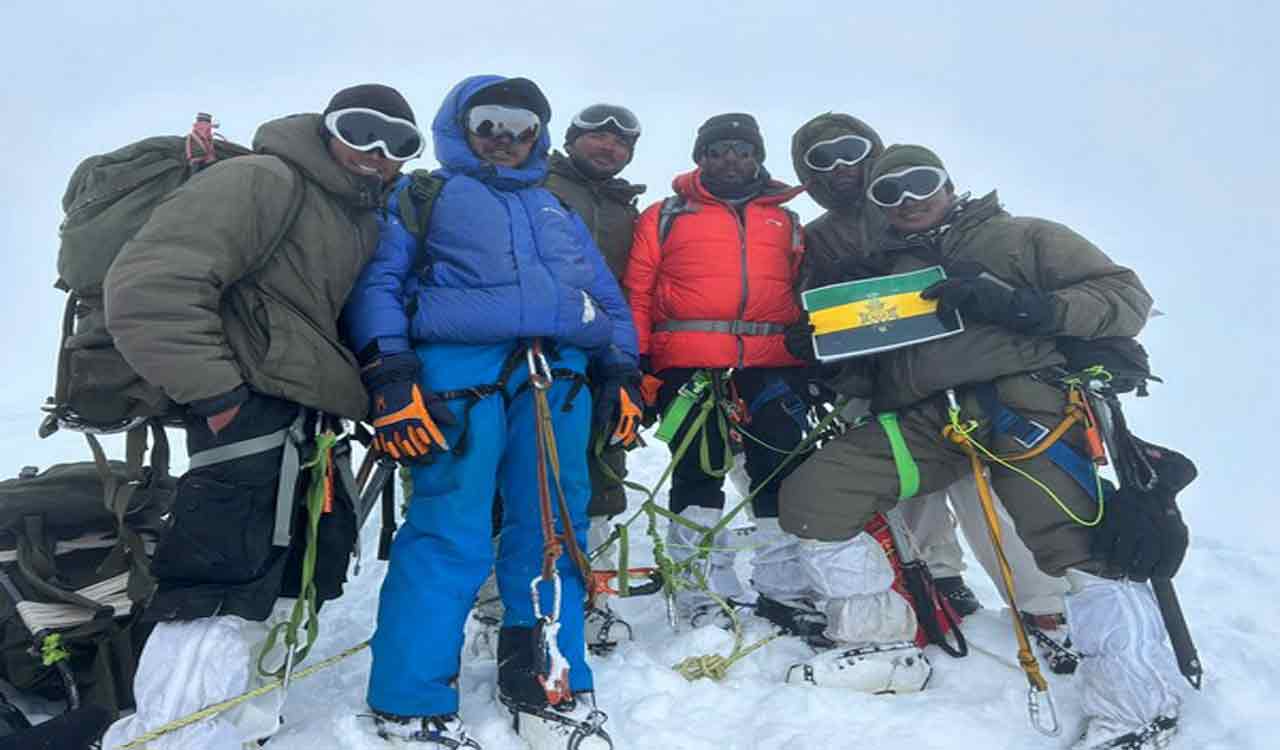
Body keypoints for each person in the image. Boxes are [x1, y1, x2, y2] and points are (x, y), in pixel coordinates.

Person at [778, 144, 1183, 748]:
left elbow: (1125, 297)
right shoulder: (877, 277)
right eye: (890, 193)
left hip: (1024, 401)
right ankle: (882, 639)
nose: (909, 200)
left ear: (947, 183)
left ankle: (1136, 707)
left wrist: (1031, 307)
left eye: (921, 183)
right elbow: (867, 370)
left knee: (1075, 543)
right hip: (926, 417)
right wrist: (822, 355)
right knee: (816, 496)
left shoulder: (1021, 237)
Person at [101, 84, 421, 750]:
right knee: (223, 584)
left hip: (306, 420)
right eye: (360, 129)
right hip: (248, 414)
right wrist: (219, 398)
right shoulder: (262, 180)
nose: (377, 152)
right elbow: (148, 287)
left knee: (297, 576)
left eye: (399, 142)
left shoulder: (357, 216)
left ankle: (241, 729)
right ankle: (172, 736)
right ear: (324, 127)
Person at [344, 75, 638, 749]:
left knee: (557, 534)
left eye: (522, 124)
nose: (506, 138)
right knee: (450, 534)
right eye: (489, 121)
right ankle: (409, 700)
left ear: (540, 134)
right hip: (460, 382)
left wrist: (620, 371)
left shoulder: (554, 208)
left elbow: (606, 297)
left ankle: (546, 677)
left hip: (558, 381)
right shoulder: (423, 195)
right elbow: (380, 284)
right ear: (460, 124)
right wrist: (390, 375)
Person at [786, 113, 1069, 627]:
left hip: (964, 368)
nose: (843, 165)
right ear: (810, 175)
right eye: (824, 159)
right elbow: (815, 303)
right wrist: (817, 347)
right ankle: (938, 573)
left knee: (983, 487)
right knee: (911, 484)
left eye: (851, 149)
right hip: (880, 370)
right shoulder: (820, 236)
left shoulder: (915, 200)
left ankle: (1040, 601)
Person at [623, 113, 810, 625]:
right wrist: (638, 363)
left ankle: (784, 588)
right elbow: (638, 292)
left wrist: (806, 359)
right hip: (688, 365)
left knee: (779, 472)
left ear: (758, 157)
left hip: (771, 364)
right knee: (698, 472)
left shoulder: (787, 222)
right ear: (699, 158)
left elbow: (799, 292)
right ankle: (700, 591)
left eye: (742, 149)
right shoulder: (665, 215)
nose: (731, 158)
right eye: (718, 149)